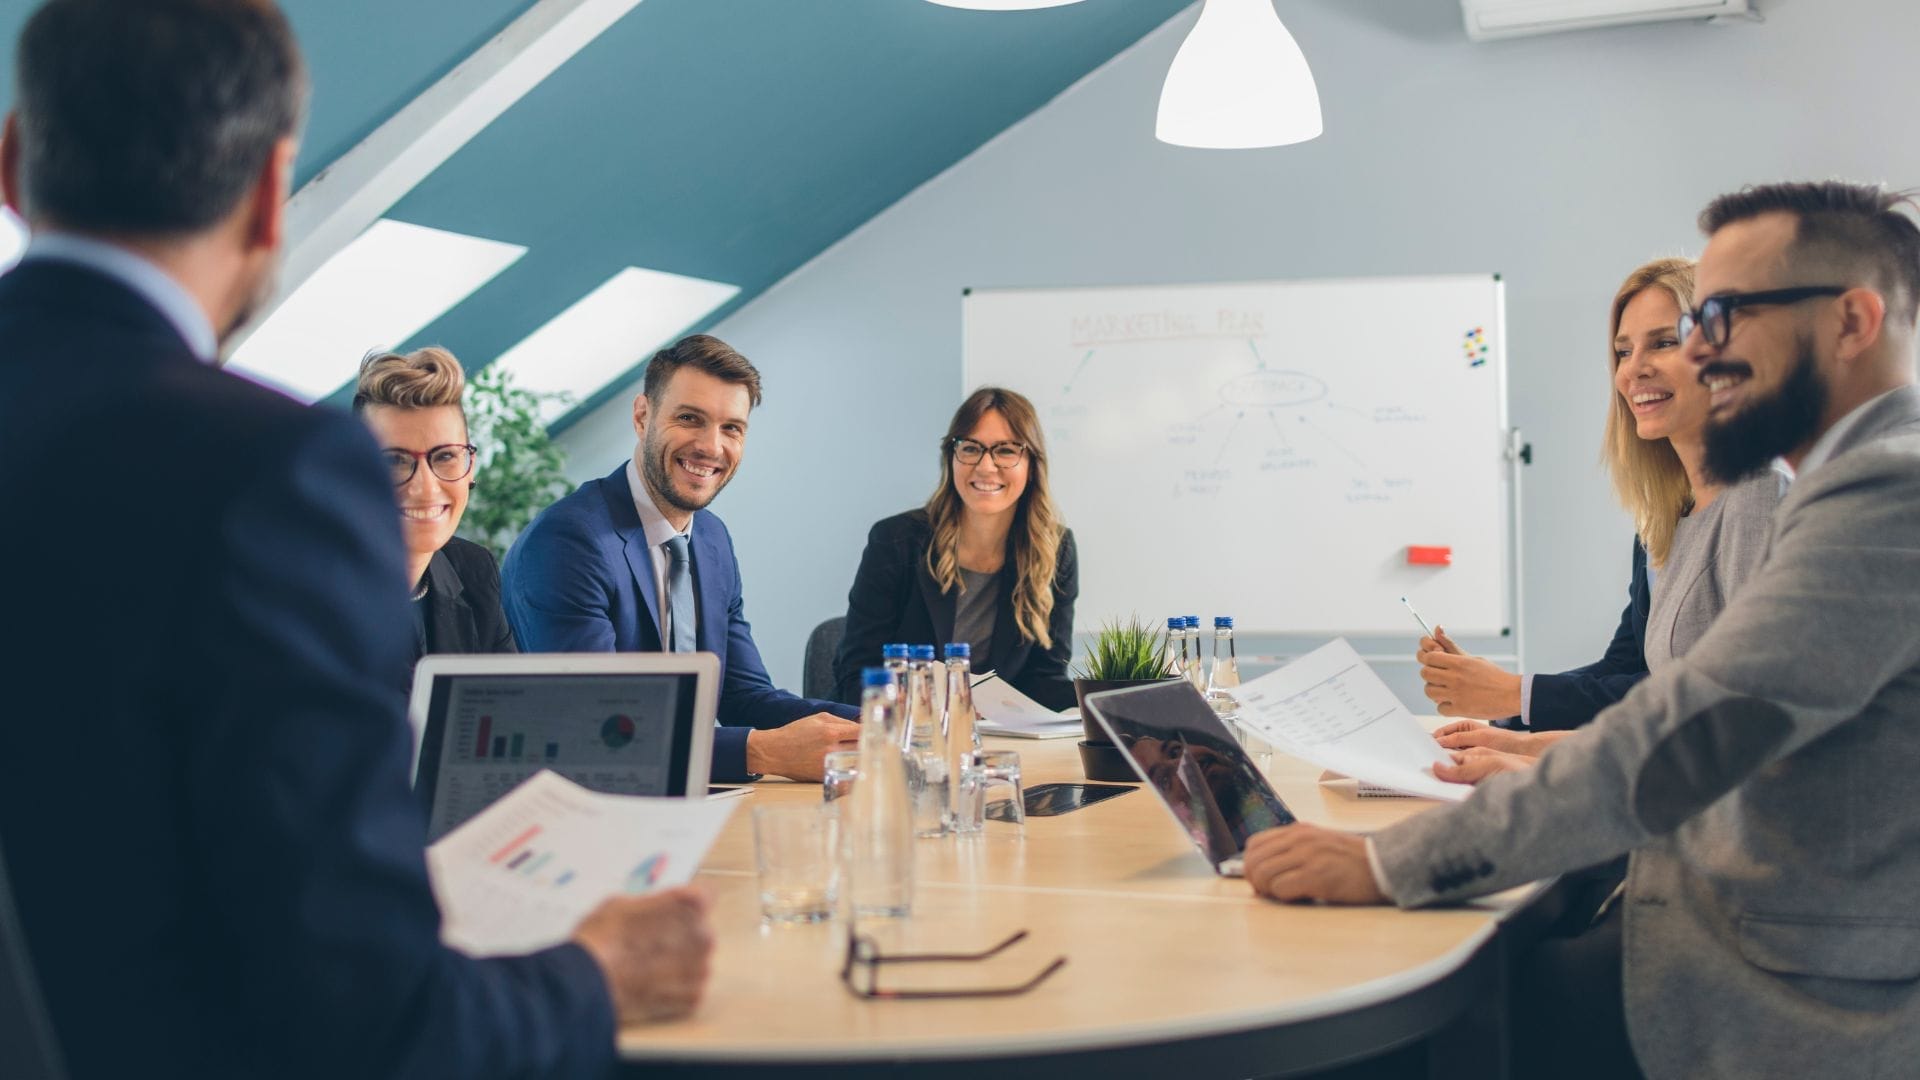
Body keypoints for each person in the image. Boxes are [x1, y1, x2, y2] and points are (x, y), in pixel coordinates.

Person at [0, 3, 710, 1077]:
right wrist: (598, 975)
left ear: (12, 160)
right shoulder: (262, 473)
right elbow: (376, 1022)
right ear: (272, 196)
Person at [1243, 180, 1920, 1079]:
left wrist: (1389, 866)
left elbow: (1685, 732)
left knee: (1405, 1014)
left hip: (1793, 985)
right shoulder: (1838, 487)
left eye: (1720, 318)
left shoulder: (1883, 499)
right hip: (1740, 921)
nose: (1701, 357)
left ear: (1852, 322)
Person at [1423, 258, 1784, 783]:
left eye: (1662, 342)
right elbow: (1633, 674)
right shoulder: (1664, 516)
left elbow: (1720, 718)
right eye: (1622, 351)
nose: (1632, 369)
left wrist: (1522, 727)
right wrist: (1514, 734)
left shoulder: (1759, 499)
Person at [502, 333, 861, 782]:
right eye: (690, 418)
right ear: (642, 416)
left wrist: (882, 725)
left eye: (732, 428)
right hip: (584, 802)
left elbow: (742, 695)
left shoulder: (711, 538)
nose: (711, 447)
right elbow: (599, 729)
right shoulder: (570, 540)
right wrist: (760, 753)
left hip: (678, 793)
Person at [833, 387, 1078, 710]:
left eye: (1005, 450)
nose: (986, 466)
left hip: (995, 741)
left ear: (1032, 463)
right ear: (951, 457)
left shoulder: (1054, 549)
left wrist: (1110, 698)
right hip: (902, 733)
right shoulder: (896, 541)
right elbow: (857, 673)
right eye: (971, 448)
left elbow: (1044, 678)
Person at [353, 346, 516, 679]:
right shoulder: (312, 592)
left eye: (445, 456)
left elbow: (516, 711)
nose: (425, 487)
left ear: (471, 467)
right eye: (394, 460)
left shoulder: (473, 571)